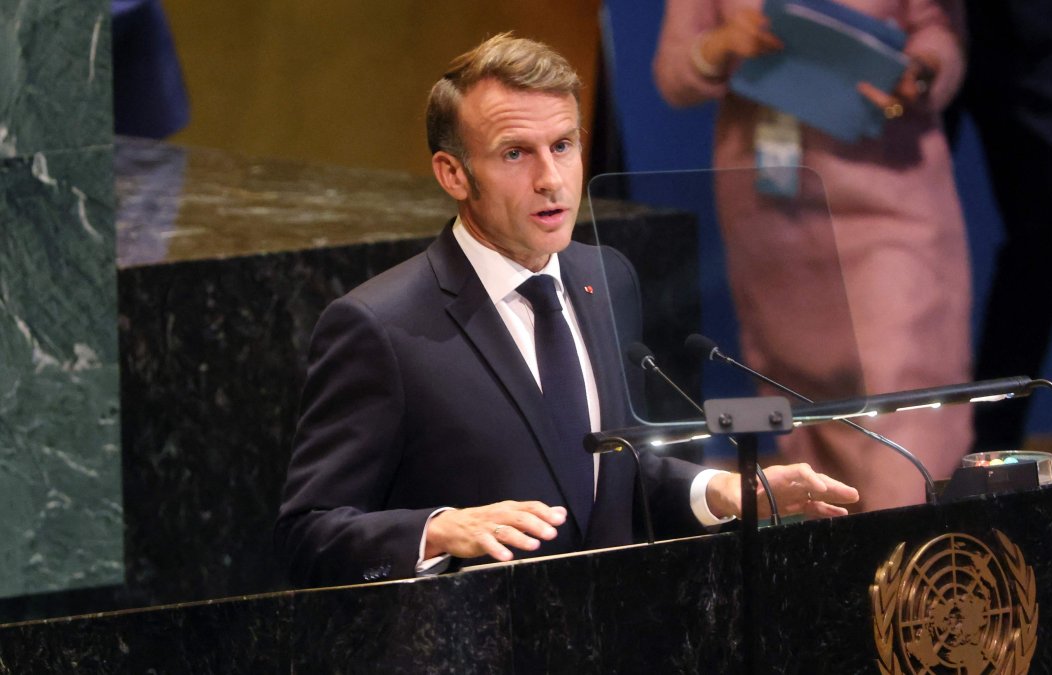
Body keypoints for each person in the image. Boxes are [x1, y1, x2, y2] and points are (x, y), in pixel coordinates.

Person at [275, 33, 858, 588]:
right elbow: (308, 535)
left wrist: (722, 491)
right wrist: (438, 530)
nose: (550, 179)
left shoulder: (605, 277)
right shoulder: (380, 326)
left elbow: (611, 471)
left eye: (563, 145)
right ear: (453, 173)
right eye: (514, 154)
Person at [654, 0, 972, 512]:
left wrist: (919, 69)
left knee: (905, 390)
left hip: (892, 194)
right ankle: (835, 580)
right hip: (773, 207)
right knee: (806, 406)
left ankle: (908, 570)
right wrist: (722, 44)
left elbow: (938, 31)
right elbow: (674, 73)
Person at [944, 0, 1052, 452]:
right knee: (886, 235)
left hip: (1022, 24)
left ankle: (990, 444)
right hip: (899, 22)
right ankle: (902, 439)